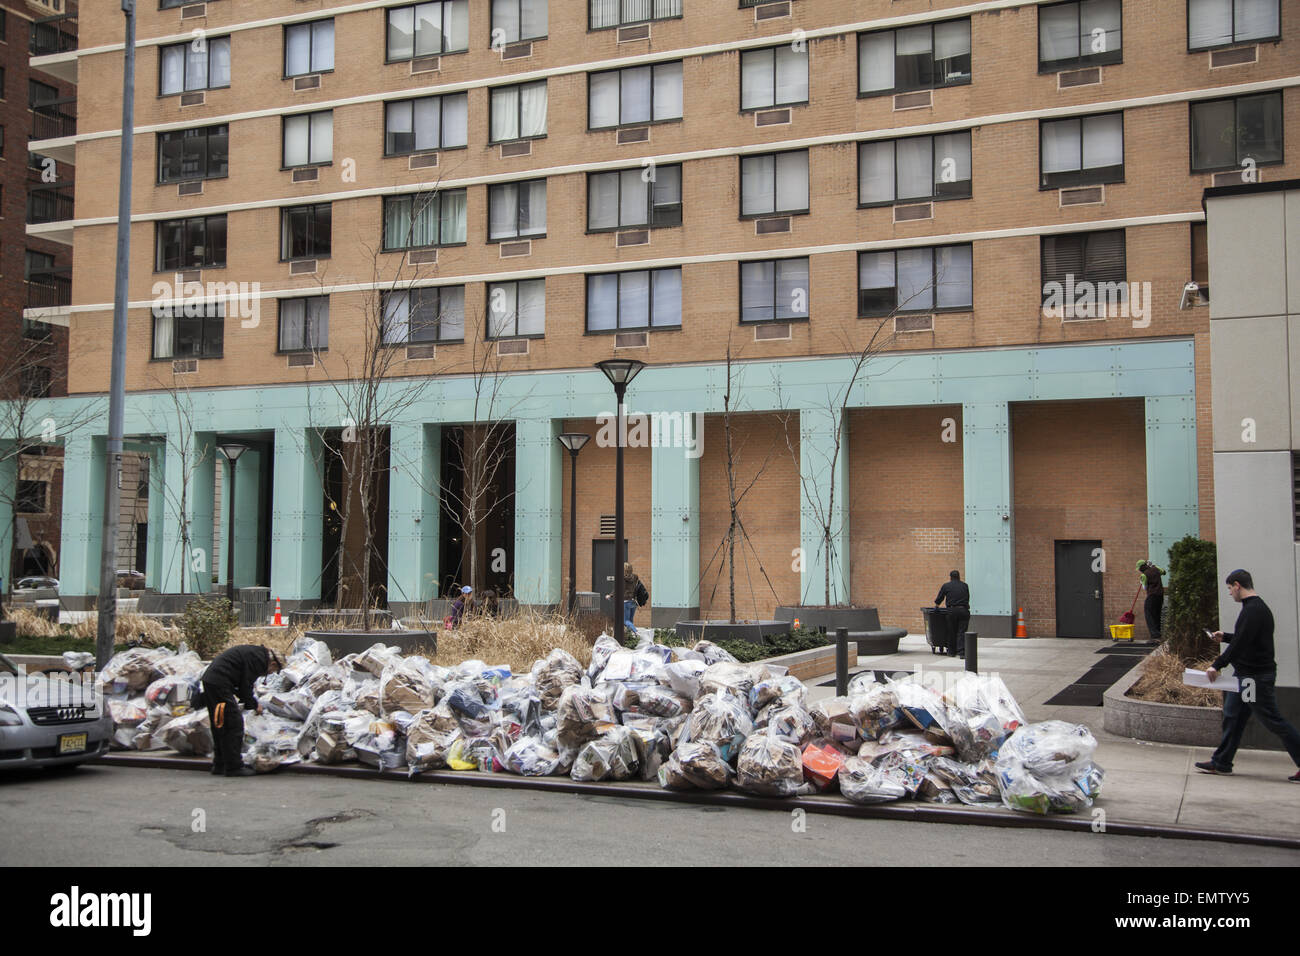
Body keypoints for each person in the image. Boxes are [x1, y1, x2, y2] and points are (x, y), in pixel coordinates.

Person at [1195, 569, 1300, 780]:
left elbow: (1242, 643)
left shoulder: (1254, 610)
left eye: (1229, 589)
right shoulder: (1253, 609)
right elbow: (1244, 637)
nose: (1230, 593)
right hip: (1244, 678)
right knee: (1233, 717)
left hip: (1253, 680)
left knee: (1272, 720)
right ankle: (1221, 762)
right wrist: (1225, 637)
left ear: (1237, 585)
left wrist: (1217, 665)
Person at [195, 644, 284, 777]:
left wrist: (249, 701)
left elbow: (242, 684)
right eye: (273, 670)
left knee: (219, 723)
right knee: (233, 724)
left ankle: (219, 764)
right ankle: (233, 766)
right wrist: (254, 705)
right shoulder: (259, 661)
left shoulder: (256, 654)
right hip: (220, 683)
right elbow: (245, 687)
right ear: (272, 663)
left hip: (212, 681)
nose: (270, 673)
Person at [934, 570, 970, 658]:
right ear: (959, 576)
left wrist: (936, 606)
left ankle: (951, 652)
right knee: (961, 632)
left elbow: (940, 598)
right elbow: (967, 597)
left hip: (952, 610)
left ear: (950, 577)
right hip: (963, 610)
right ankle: (961, 652)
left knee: (951, 631)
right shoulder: (965, 585)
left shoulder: (946, 586)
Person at [1137, 560, 1165, 642]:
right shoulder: (1155, 568)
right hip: (1160, 595)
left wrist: (1141, 581)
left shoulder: (1144, 575)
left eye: (1139, 569)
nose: (1139, 570)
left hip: (1152, 595)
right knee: (1157, 614)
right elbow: (1163, 572)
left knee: (1149, 614)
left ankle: (1155, 636)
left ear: (1142, 567)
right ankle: (1158, 636)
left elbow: (1145, 588)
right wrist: (1154, 566)